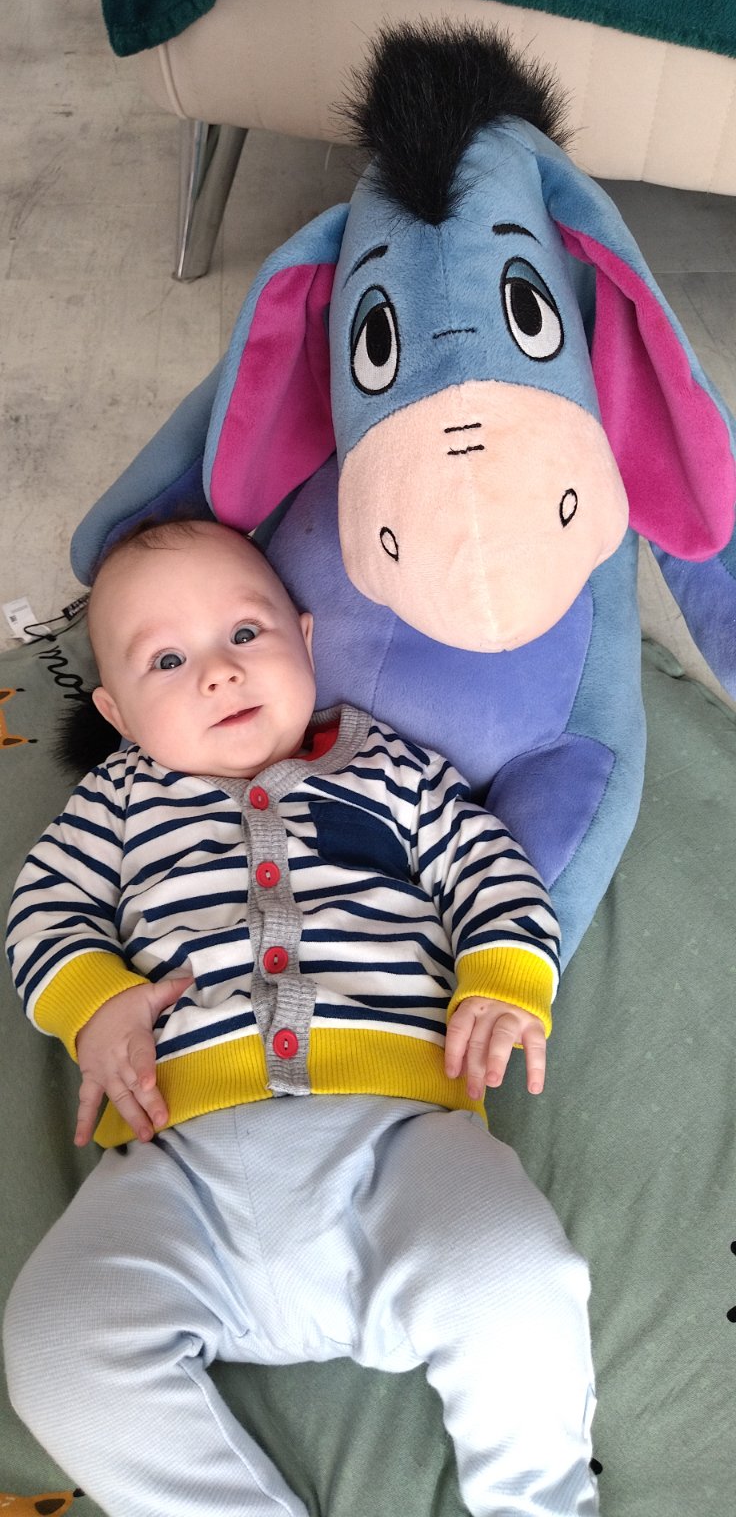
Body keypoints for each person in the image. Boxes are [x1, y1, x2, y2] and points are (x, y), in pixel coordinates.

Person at [4, 520, 598, 1517]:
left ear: (306, 638)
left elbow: (485, 865)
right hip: (175, 1169)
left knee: (515, 1273)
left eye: (247, 632)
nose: (219, 672)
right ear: (114, 711)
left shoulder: (392, 769)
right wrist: (94, 1004)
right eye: (166, 661)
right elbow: (45, 909)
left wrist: (501, 976)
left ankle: (533, 1501)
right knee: (56, 1345)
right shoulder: (116, 801)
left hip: (401, 1143)